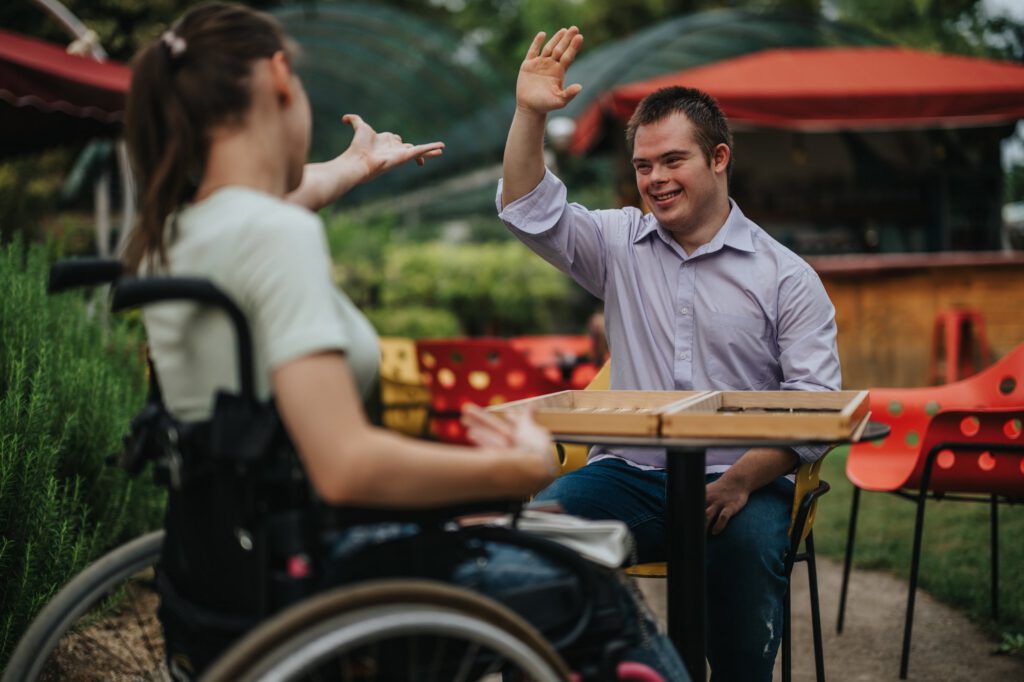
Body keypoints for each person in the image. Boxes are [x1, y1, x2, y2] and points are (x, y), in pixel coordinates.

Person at [124, 4, 688, 680]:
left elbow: (274, 203)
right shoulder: (275, 237)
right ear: (280, 77)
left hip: (217, 569)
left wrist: (354, 166)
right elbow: (346, 465)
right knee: (592, 586)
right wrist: (513, 472)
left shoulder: (175, 237)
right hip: (321, 571)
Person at [498, 26, 841, 681]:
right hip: (627, 476)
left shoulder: (785, 276)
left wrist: (744, 478)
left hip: (741, 481)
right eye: (643, 166)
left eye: (672, 161)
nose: (655, 179)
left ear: (718, 158)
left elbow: (818, 408)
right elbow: (525, 208)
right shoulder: (618, 244)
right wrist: (530, 114)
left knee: (744, 568)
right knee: (529, 541)